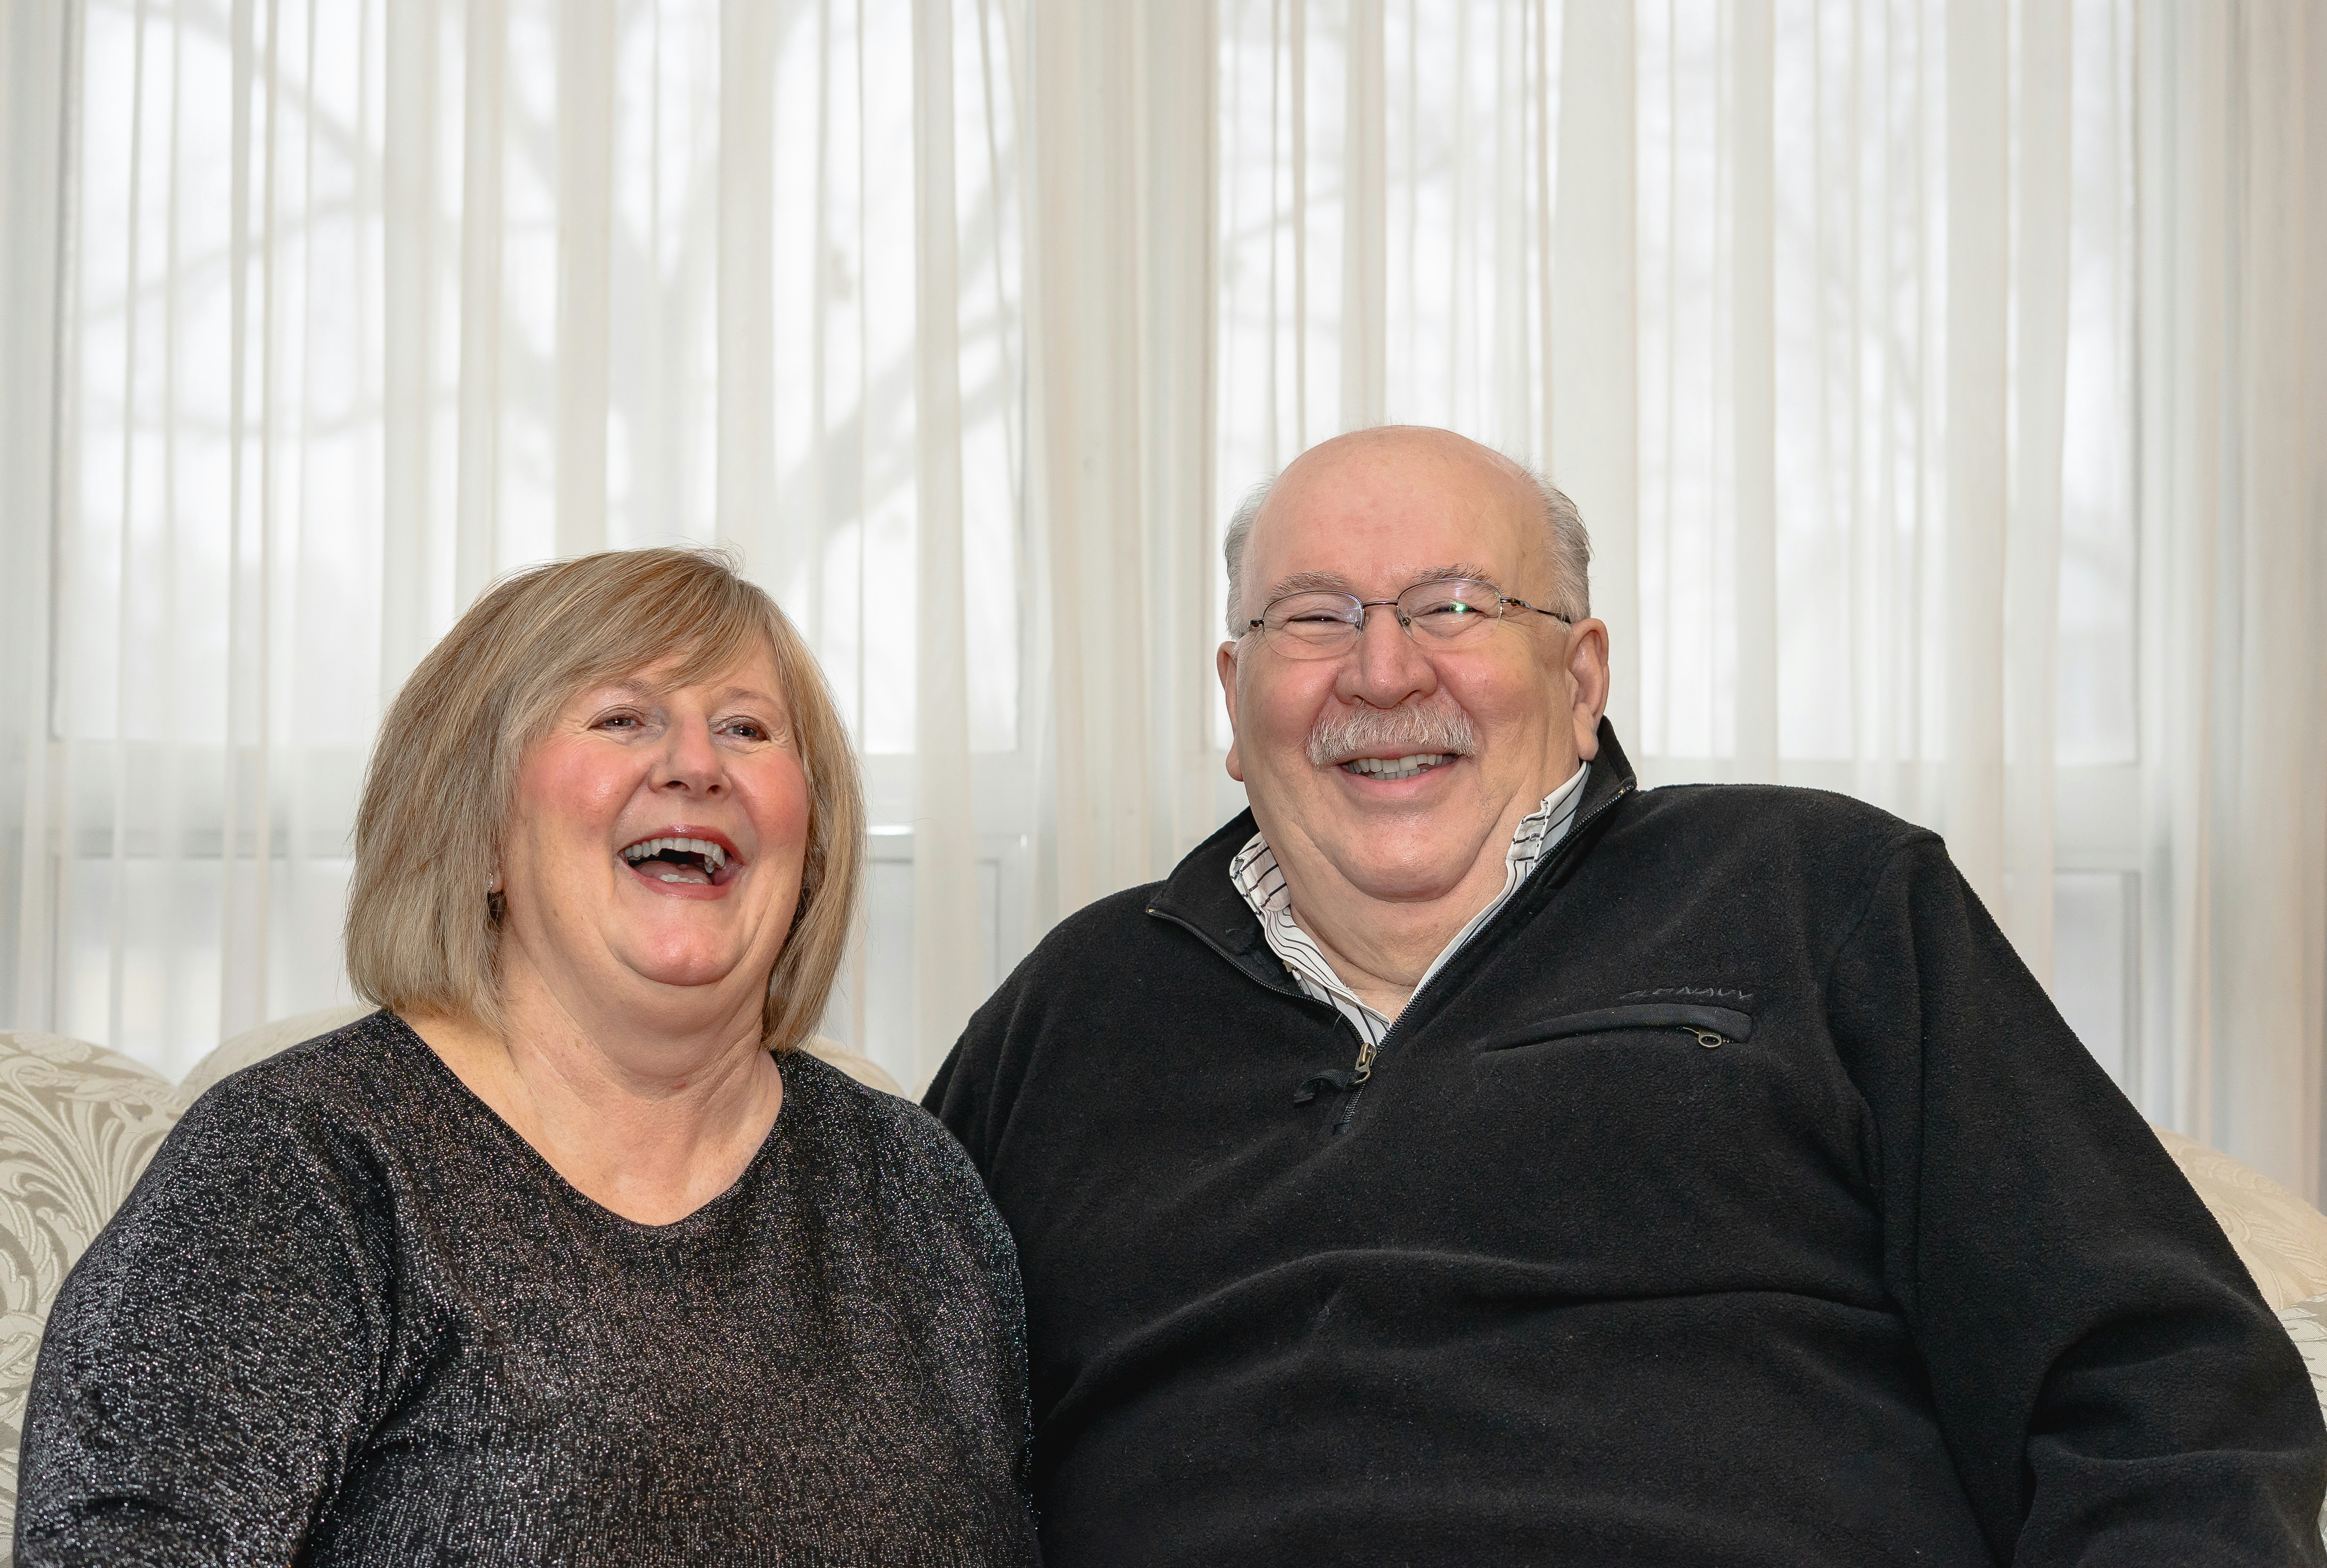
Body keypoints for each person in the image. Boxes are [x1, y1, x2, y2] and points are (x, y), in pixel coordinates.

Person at [926, 426, 2327, 1566]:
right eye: (1313, 618)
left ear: (1581, 675)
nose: (1383, 671)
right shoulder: (1072, 1011)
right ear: (1235, 699)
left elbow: (2162, 1391)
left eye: (1454, 607)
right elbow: (870, 1385)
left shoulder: (1818, 898)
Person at [17, 548, 1037, 1565]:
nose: (696, 764)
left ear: (809, 848)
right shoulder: (297, 1165)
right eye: (622, 718)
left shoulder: (913, 1183)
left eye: (746, 729)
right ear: (480, 832)